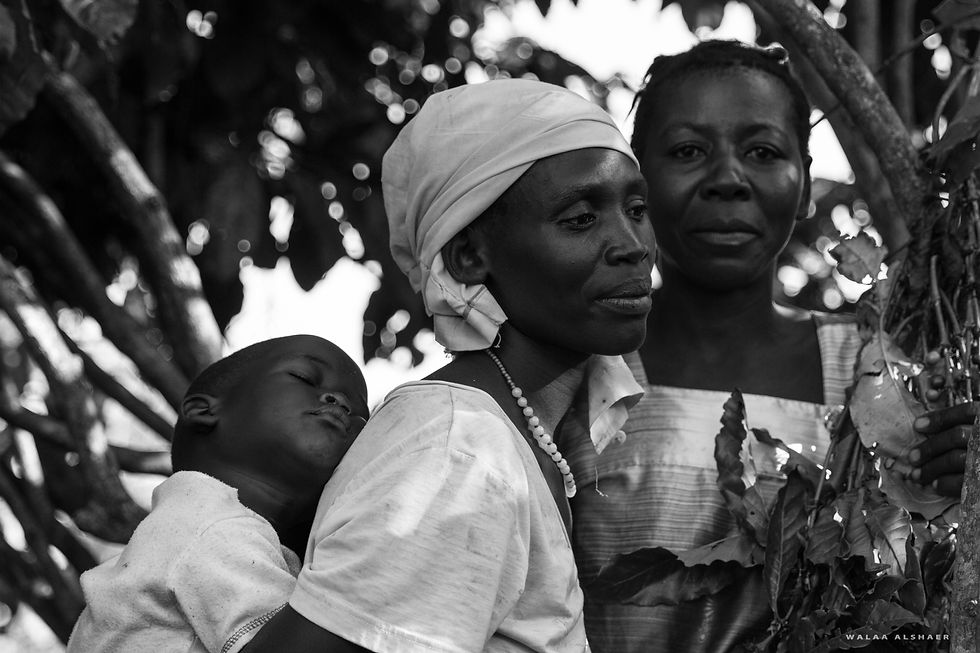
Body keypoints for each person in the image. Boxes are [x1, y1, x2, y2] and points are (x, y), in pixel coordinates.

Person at [566, 39, 972, 653]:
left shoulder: (873, 367)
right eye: (688, 151)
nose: (727, 179)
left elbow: (921, 583)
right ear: (635, 184)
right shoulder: (575, 373)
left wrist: (957, 488)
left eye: (762, 152)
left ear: (804, 185)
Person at [240, 78, 653, 652]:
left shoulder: (506, 439)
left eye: (637, 209)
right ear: (468, 258)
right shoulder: (460, 450)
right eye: (581, 218)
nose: (633, 245)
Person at [66, 334, 369, 653]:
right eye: (304, 377)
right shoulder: (207, 522)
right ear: (203, 410)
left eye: (360, 419)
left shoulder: (202, 530)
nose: (340, 402)